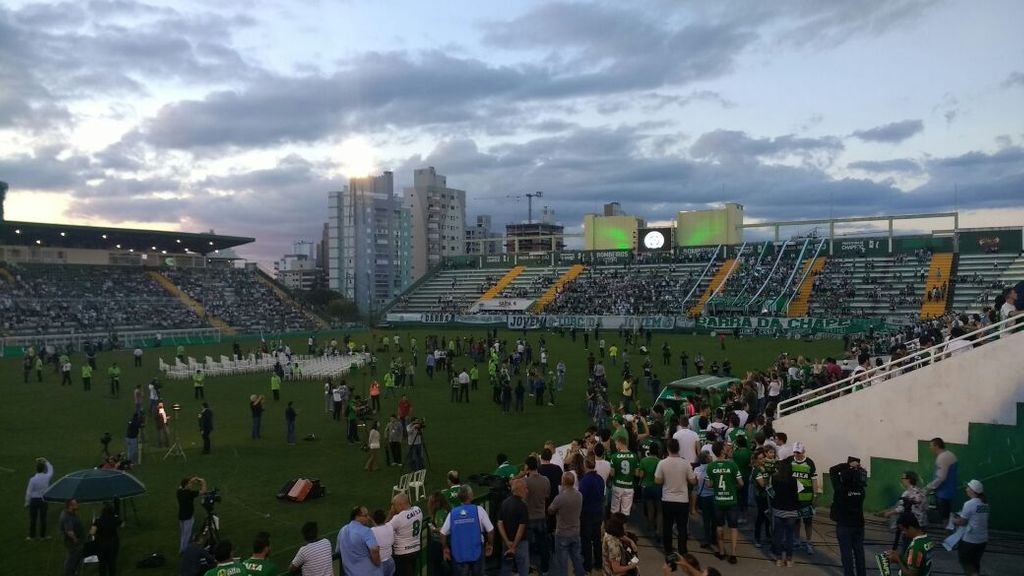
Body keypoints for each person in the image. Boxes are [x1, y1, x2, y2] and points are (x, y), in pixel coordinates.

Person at [441, 484, 495, 576]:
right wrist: (490, 544)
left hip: (459, 553)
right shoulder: (479, 510)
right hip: (477, 551)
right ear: (471, 496)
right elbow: (490, 530)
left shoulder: (453, 513)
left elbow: (442, 533)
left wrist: (445, 548)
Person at [655, 438, 696, 556]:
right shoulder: (685, 463)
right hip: (682, 500)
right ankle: (682, 550)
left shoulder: (662, 463)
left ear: (667, 449)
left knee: (667, 526)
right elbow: (693, 481)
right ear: (678, 448)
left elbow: (657, 480)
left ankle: (668, 550)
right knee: (682, 527)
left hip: (667, 499)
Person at [706, 442, 743, 565]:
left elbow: (708, 485)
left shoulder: (710, 466)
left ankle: (721, 552)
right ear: (722, 451)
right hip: (731, 500)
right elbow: (741, 483)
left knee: (719, 526)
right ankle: (733, 554)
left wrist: (716, 484)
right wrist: (732, 487)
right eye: (725, 447)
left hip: (718, 500)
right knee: (733, 527)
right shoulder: (732, 465)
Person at [830, 457, 867, 576]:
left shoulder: (840, 489)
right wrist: (856, 468)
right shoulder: (861, 490)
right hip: (858, 525)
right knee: (859, 553)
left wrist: (847, 465)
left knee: (847, 555)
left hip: (844, 525)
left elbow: (832, 471)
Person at [548, 472, 585, 576]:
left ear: (563, 481)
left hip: (563, 533)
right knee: (577, 558)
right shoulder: (579, 495)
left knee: (562, 561)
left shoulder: (560, 498)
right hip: (575, 532)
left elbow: (550, 510)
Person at [953, 479, 989, 576]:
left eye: (968, 487)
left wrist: (953, 520)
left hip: (970, 540)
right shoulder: (985, 503)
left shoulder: (969, 504)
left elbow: (962, 522)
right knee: (975, 563)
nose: (966, 489)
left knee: (965, 562)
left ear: (973, 491)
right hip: (982, 539)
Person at [788, 442, 819, 554]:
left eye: (799, 452)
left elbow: (814, 480)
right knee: (796, 520)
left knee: (808, 522)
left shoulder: (809, 463)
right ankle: (797, 540)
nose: (796, 454)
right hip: (794, 498)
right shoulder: (790, 461)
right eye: (795, 452)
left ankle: (808, 542)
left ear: (803, 451)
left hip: (806, 499)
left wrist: (815, 496)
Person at [522, 456, 551, 575]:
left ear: (528, 467)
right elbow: (547, 496)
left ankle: (527, 567)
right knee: (543, 544)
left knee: (526, 545)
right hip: (541, 517)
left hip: (529, 518)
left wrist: (522, 474)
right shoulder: (545, 480)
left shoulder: (525, 482)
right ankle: (545, 568)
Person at [497, 478, 530, 576]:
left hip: (507, 543)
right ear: (519, 490)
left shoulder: (505, 503)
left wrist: (507, 541)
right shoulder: (522, 506)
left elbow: (500, 523)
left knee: (506, 568)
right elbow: (521, 528)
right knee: (523, 569)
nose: (527, 491)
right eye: (525, 488)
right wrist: (514, 546)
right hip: (520, 544)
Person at [337, 506, 383, 576]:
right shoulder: (366, 531)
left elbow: (338, 551)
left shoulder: (342, 530)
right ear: (357, 517)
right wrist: (378, 563)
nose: (368, 518)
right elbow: (374, 550)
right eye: (365, 515)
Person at [389, 492, 424, 576]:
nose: (393, 508)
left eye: (394, 505)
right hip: (415, 550)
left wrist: (391, 513)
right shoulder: (418, 509)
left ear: (401, 505)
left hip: (402, 554)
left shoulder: (398, 518)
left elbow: (384, 529)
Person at [925, 438, 958, 524]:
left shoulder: (942, 458)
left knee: (945, 517)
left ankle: (948, 534)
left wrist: (928, 488)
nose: (930, 448)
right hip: (950, 491)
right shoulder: (950, 454)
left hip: (943, 494)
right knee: (948, 515)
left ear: (936, 446)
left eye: (931, 446)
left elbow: (940, 478)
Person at [609, 436, 640, 516]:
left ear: (620, 443)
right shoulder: (634, 456)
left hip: (617, 486)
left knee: (614, 511)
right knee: (625, 512)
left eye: (616, 444)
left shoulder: (614, 456)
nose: (616, 446)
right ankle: (623, 528)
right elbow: (637, 473)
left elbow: (612, 474)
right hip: (629, 486)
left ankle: (614, 527)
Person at [25, 456, 54, 540]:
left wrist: (27, 502)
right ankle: (43, 536)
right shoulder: (47, 477)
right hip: (43, 500)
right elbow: (51, 469)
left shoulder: (33, 479)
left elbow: (29, 492)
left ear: (36, 469)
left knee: (33, 519)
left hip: (34, 500)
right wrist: (46, 461)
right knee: (43, 518)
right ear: (43, 469)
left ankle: (31, 536)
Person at [177, 477, 206, 553]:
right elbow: (203, 491)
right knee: (187, 535)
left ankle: (181, 548)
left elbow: (181, 486)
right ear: (186, 485)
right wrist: (203, 482)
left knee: (183, 534)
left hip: (181, 516)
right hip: (188, 517)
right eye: (190, 484)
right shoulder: (189, 493)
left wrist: (191, 480)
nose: (191, 485)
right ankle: (184, 550)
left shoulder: (179, 492)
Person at [92, 502, 120, 576]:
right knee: (112, 563)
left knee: (102, 563)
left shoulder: (98, 520)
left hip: (101, 544)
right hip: (113, 544)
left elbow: (92, 532)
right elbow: (122, 524)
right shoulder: (114, 519)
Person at [60, 499, 85, 576]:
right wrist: (76, 540)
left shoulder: (71, 514)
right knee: (71, 562)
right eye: (75, 504)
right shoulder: (67, 516)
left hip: (76, 543)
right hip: (73, 544)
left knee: (76, 560)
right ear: (70, 506)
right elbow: (69, 531)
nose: (77, 505)